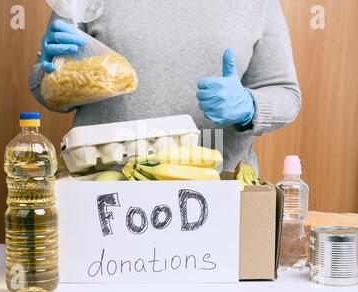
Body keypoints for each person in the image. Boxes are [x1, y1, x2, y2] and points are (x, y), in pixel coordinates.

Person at [29, 0, 301, 172]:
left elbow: (284, 92)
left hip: (218, 188)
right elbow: (44, 87)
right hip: (102, 189)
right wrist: (53, 70)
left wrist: (249, 106)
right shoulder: (82, 4)